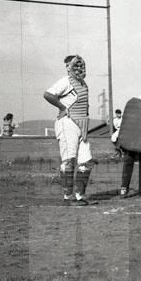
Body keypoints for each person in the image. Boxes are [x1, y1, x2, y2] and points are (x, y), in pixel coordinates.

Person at [43, 55, 95, 206]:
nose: (77, 68)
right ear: (67, 67)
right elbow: (48, 94)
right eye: (73, 65)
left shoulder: (83, 83)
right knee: (69, 160)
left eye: (80, 65)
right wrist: (62, 108)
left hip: (82, 124)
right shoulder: (65, 81)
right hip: (68, 123)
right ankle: (68, 197)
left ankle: (80, 196)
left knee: (86, 161)